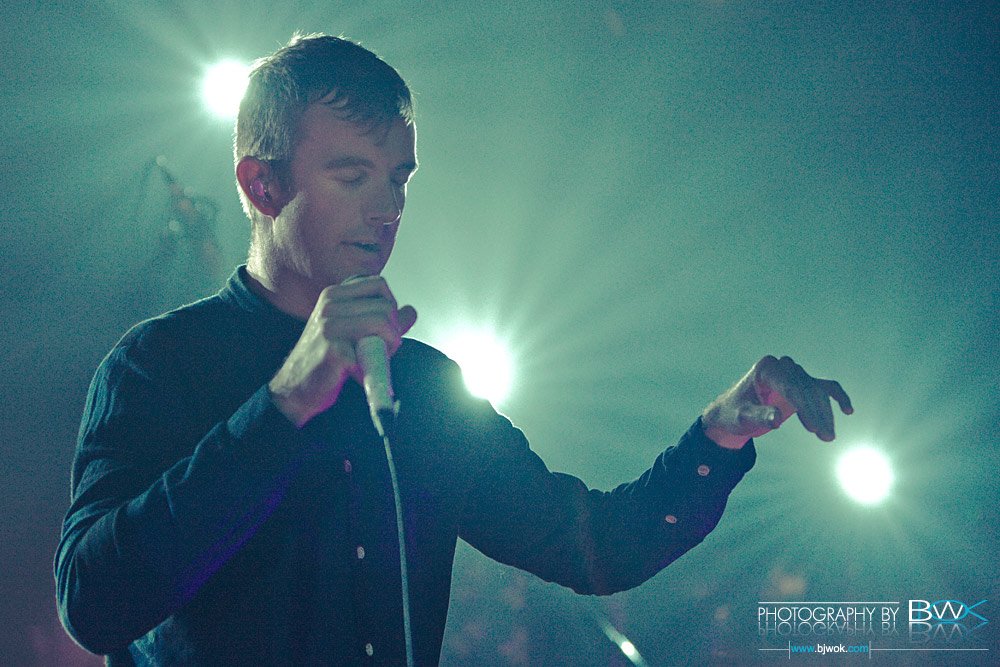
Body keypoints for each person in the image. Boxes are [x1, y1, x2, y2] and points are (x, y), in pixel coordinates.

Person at [55, 33, 853, 665]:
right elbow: (93, 604)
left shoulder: (426, 384)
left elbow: (593, 546)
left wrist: (719, 434)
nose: (386, 208)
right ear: (263, 185)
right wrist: (283, 405)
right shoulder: (159, 363)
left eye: (399, 179)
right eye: (352, 175)